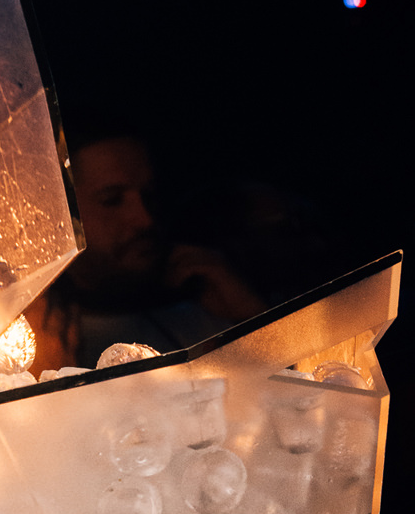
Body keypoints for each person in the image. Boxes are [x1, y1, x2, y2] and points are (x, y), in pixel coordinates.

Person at [27, 133, 265, 372]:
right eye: (111, 200)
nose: (145, 219)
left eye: (149, 194)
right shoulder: (33, 344)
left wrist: (254, 318)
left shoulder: (210, 312)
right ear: (56, 213)